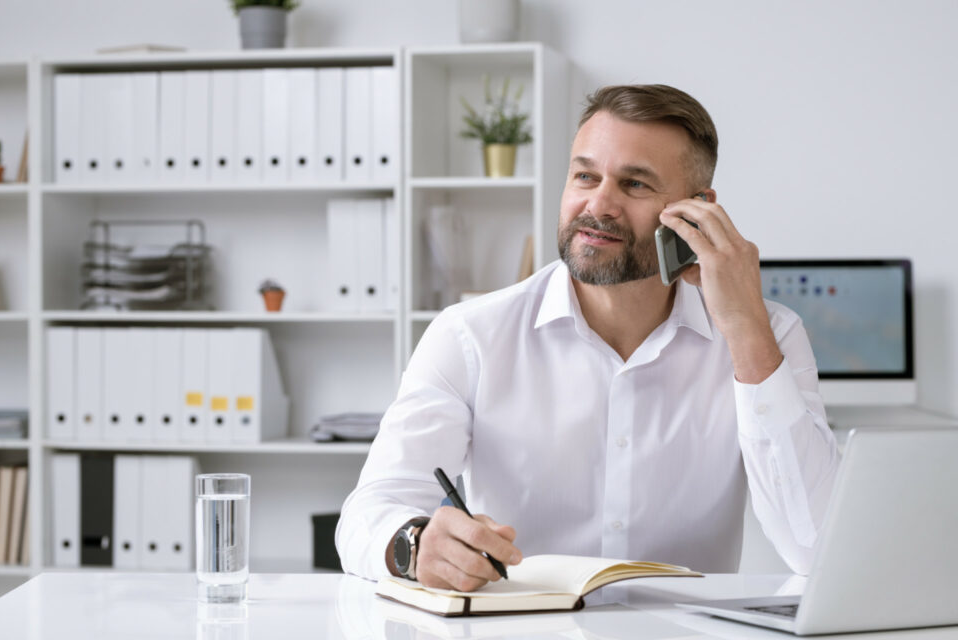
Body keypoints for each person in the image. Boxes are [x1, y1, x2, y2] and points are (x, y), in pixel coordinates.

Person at [336, 84, 841, 591]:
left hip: (685, 627)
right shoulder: (470, 335)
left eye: (635, 184)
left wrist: (745, 330)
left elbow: (817, 545)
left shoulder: (769, 334)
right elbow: (369, 512)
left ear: (696, 210)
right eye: (585, 176)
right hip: (520, 625)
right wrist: (416, 544)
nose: (598, 204)